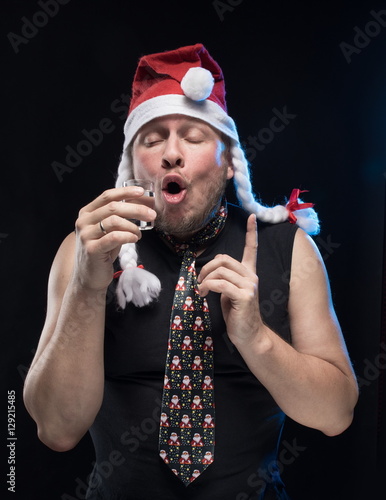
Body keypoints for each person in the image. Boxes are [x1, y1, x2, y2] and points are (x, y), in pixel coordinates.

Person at [23, 44, 359, 499]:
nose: (171, 154)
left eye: (194, 137)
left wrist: (255, 338)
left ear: (227, 163)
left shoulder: (291, 249)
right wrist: (86, 285)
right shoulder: (85, 251)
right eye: (153, 138)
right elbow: (56, 429)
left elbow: (336, 414)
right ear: (132, 168)